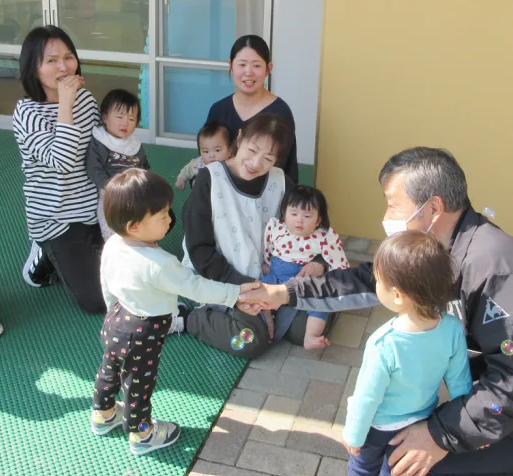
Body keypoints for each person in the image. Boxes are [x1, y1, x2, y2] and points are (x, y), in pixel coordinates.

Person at [246, 147, 513, 476]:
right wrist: (283, 292)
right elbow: (363, 280)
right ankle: (485, 461)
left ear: (433, 207)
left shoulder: (496, 271)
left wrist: (439, 435)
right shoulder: (435, 249)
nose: (387, 219)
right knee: (403, 439)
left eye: (394, 206)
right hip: (509, 397)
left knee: (408, 463)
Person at [90, 168, 261, 454]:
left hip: (116, 320)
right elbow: (195, 287)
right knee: (139, 383)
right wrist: (235, 293)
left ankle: (103, 414)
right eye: (162, 216)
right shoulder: (159, 262)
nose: (170, 220)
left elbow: (106, 282)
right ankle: (141, 433)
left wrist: (112, 314)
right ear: (134, 226)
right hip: (143, 331)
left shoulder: (113, 245)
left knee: (109, 368)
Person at [337, 231, 472, 476]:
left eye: (378, 281)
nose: (375, 285)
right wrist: (461, 422)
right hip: (420, 419)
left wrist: (353, 434)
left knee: (363, 464)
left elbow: (366, 398)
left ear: (397, 295)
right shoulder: (451, 329)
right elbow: (460, 381)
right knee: (394, 457)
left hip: (378, 425)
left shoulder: (383, 344)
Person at [181, 114, 327, 357]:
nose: (256, 162)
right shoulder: (210, 179)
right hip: (224, 279)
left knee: (306, 329)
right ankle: (193, 318)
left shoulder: (280, 182)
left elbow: (313, 223)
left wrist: (318, 262)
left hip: (273, 279)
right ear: (240, 138)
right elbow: (201, 251)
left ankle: (266, 315)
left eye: (268, 158)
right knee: (253, 341)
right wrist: (252, 291)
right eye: (252, 150)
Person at [13, 25, 104, 314]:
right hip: (58, 217)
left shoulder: (87, 100)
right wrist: (66, 103)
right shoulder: (27, 113)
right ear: (33, 68)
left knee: (159, 217)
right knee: (96, 300)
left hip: (94, 207)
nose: (63, 67)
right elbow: (62, 162)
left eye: (68, 57)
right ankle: (43, 253)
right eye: (51, 60)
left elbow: (100, 149)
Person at [261, 185, 349, 350]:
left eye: (307, 215)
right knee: (260, 290)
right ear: (284, 213)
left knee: (319, 302)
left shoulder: (323, 237)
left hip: (305, 282)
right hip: (276, 277)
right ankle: (267, 320)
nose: (299, 220)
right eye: (293, 214)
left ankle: (311, 335)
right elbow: (269, 247)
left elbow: (339, 261)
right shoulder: (277, 228)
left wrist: (336, 282)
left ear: (318, 220)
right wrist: (267, 262)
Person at [205, 36, 299, 183]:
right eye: (242, 65)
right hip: (222, 190)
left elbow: (285, 167)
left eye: (256, 65)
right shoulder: (218, 110)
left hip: (264, 193)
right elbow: (208, 155)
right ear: (231, 66)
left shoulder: (280, 112)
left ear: (269, 68)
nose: (248, 72)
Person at [84, 88, 148, 239]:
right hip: (110, 195)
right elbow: (94, 168)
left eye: (131, 119)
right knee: (112, 230)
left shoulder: (134, 144)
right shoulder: (100, 141)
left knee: (142, 224)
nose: (125, 123)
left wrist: (146, 184)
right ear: (105, 117)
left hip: (135, 192)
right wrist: (109, 187)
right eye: (119, 117)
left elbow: (144, 166)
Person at [174, 120, 233, 190]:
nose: (211, 155)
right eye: (206, 151)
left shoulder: (232, 166)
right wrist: (181, 179)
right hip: (202, 198)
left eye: (217, 150)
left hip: (223, 198)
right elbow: (187, 170)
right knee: (197, 180)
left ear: (230, 150)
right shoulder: (198, 164)